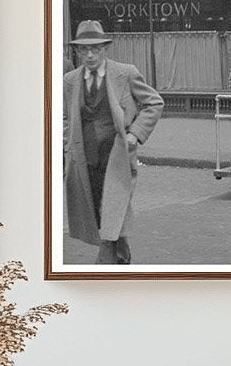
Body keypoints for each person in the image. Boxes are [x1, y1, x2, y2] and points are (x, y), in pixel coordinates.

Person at [63, 20, 164, 264]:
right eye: (84, 50)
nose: (89, 55)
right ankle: (121, 253)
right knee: (96, 207)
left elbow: (154, 103)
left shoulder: (125, 73)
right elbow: (64, 115)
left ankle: (105, 264)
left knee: (114, 205)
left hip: (116, 154)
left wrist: (134, 134)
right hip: (84, 157)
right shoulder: (70, 80)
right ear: (77, 52)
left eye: (95, 49)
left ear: (104, 49)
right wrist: (67, 142)